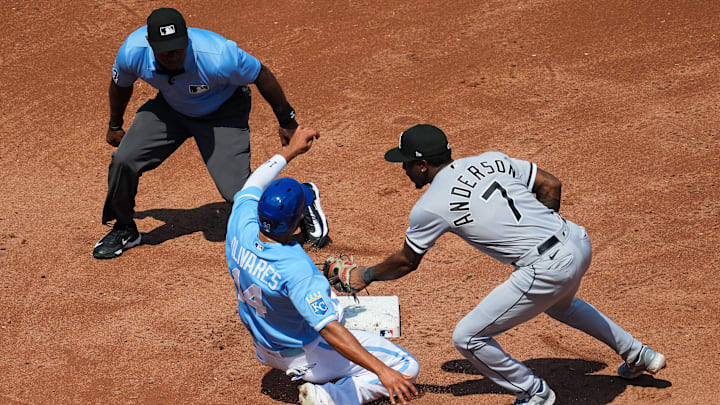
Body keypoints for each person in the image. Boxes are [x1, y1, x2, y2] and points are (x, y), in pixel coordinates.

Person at [334, 124, 666, 404]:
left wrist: (364, 275)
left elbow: (407, 261)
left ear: (422, 166)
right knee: (562, 306)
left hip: (546, 267)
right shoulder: (491, 159)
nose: (404, 170)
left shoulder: (430, 206)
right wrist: (545, 227)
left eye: (406, 164)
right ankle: (639, 354)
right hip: (577, 241)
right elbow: (550, 184)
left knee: (468, 337)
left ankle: (534, 393)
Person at [93, 8, 330, 259]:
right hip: (171, 108)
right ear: (150, 44)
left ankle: (304, 197)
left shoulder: (219, 55)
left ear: (187, 37)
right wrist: (115, 124)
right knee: (123, 160)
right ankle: (125, 228)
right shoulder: (133, 52)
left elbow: (262, 74)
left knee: (237, 192)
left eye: (178, 47)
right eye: (165, 51)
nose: (173, 55)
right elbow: (120, 85)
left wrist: (288, 121)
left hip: (223, 112)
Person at [225, 126, 419, 405]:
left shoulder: (240, 222)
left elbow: (254, 181)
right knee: (405, 366)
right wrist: (382, 371)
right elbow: (328, 328)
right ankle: (327, 397)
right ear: (296, 223)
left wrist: (290, 150)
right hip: (305, 354)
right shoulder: (296, 269)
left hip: (264, 343)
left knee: (314, 307)